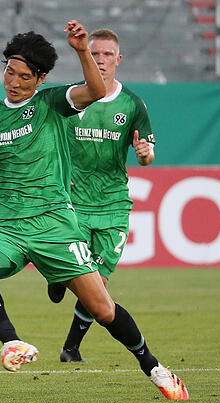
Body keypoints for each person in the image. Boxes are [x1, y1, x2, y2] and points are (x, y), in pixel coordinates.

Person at [0, 21, 189, 400]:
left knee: (102, 308)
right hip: (8, 225)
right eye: (9, 72)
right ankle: (11, 342)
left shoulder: (50, 103)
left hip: (55, 224)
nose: (13, 82)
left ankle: (155, 368)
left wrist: (82, 50)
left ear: (40, 78)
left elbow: (97, 90)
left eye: (24, 76)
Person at [48, 28, 158, 364]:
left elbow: (147, 155)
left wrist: (142, 153)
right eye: (94, 54)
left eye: (107, 55)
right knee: (84, 277)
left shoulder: (132, 105)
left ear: (118, 60)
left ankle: (71, 348)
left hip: (113, 205)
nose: (100, 60)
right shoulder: (72, 99)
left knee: (100, 282)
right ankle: (58, 276)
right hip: (74, 203)